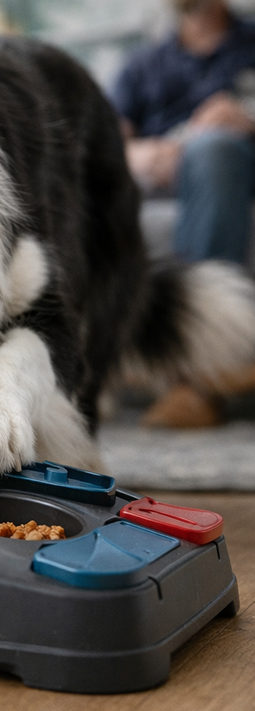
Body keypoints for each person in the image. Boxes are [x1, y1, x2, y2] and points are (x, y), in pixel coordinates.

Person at [110, 0, 255, 427]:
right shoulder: (142, 64)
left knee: (213, 150)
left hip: (231, 162)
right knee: (94, 175)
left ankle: (196, 370)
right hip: (159, 172)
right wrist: (136, 154)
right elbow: (104, 137)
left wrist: (246, 119)